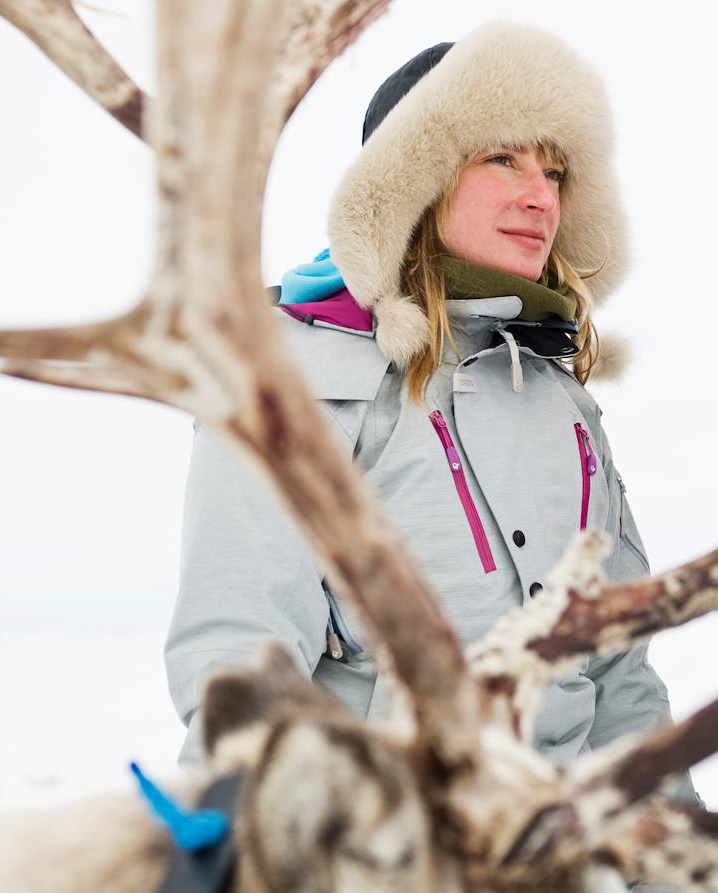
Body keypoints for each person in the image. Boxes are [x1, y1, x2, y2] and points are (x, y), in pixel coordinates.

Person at [165, 22, 685, 789]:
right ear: (418, 176)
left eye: (556, 172)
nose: (540, 196)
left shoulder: (563, 403)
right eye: (503, 157)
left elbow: (619, 682)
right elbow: (240, 670)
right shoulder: (292, 381)